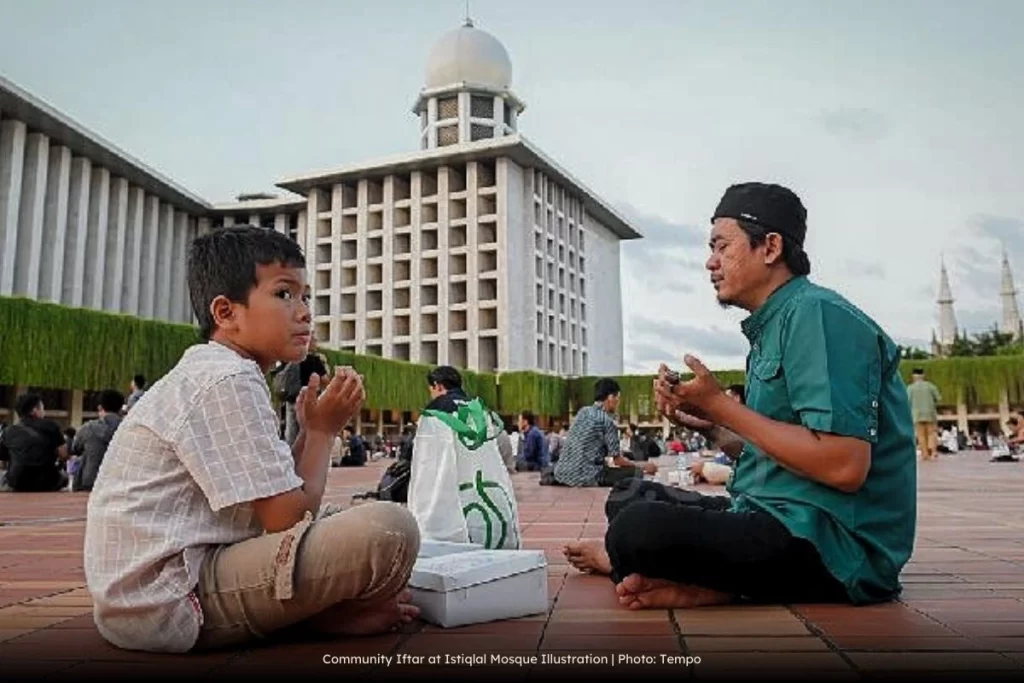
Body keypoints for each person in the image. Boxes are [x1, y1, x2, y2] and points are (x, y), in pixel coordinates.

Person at [564, 182, 916, 610]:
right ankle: (719, 584)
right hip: (778, 515)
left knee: (635, 530)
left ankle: (641, 564)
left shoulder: (818, 315)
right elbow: (776, 454)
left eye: (721, 246)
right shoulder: (773, 326)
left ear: (769, 247)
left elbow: (844, 465)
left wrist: (722, 405)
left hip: (833, 543)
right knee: (629, 499)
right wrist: (713, 426)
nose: (710, 263)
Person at [84, 226, 420, 654]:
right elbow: (287, 519)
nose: (303, 313)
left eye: (305, 297)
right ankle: (316, 618)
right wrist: (321, 433)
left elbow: (280, 500)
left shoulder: (220, 371)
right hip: (167, 601)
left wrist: (310, 434)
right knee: (389, 531)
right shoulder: (227, 378)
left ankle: (316, 614)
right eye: (284, 294)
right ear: (226, 313)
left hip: (158, 588)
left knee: (346, 515)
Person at [552, 378, 657, 487]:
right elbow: (618, 461)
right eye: (618, 398)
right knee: (635, 473)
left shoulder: (582, 412)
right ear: (610, 398)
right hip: (586, 476)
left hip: (563, 474)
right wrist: (642, 466)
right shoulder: (607, 421)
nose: (618, 403)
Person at [0, 393, 69, 492]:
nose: (43, 412)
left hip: (18, 481)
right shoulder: (52, 425)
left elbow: (3, 459)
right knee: (64, 477)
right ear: (34, 410)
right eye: (42, 408)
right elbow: (64, 455)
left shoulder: (8, 431)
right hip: (48, 480)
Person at [70, 389, 124, 492]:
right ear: (121, 408)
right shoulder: (127, 428)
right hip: (119, 481)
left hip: (90, 481)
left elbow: (75, 448)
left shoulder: (88, 427)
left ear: (100, 407)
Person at [906, 368, 941, 461]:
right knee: (931, 433)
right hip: (930, 413)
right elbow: (938, 398)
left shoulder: (910, 388)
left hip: (916, 415)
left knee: (921, 435)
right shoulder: (931, 386)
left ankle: (924, 454)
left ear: (913, 376)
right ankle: (933, 452)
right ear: (923, 376)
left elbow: (907, 402)